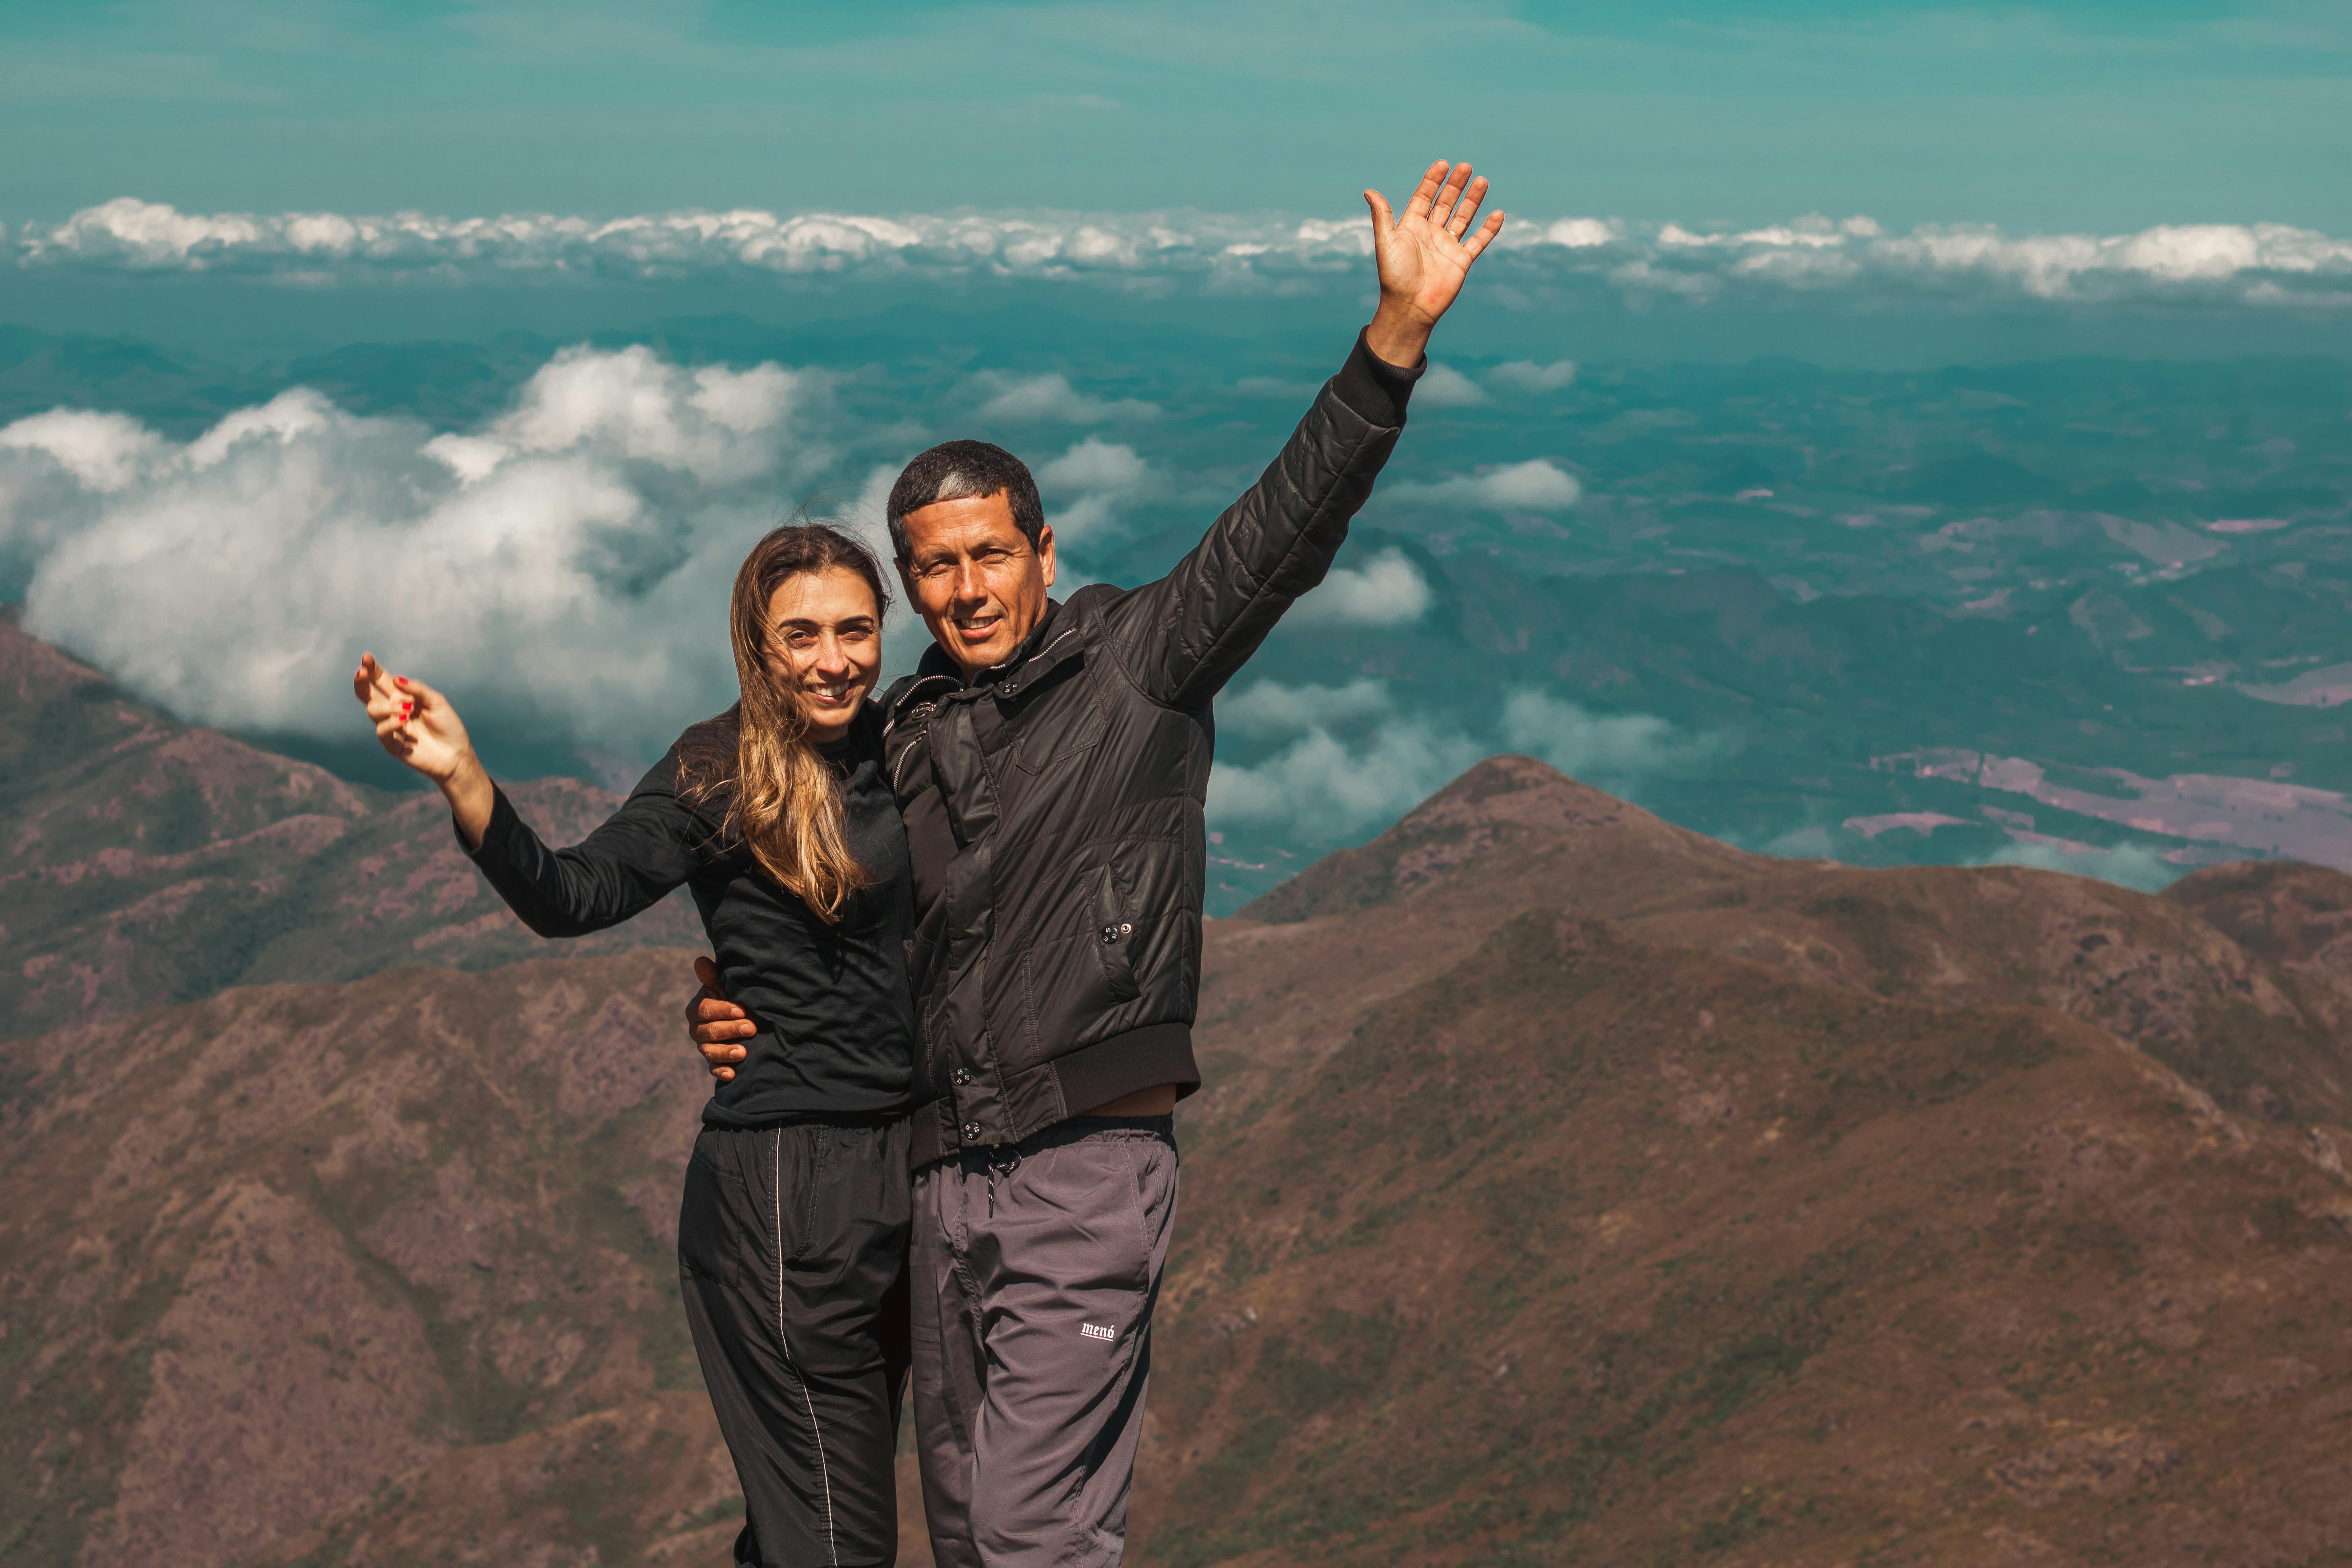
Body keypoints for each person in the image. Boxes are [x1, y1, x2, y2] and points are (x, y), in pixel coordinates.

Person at [688, 159, 1506, 1567]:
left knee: (1026, 1534)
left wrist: (1391, 345)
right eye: (932, 566)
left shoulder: (1141, 660)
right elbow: (829, 909)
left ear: (1042, 548)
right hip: (937, 1179)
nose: (967, 587)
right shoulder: (894, 736)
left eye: (989, 553)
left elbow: (1281, 531)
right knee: (962, 1529)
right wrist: (731, 994)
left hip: (1086, 1159)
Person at [353, 524, 920, 1568]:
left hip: (902, 1176)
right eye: (801, 635)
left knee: (809, 1527)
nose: (833, 659)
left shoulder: (903, 748)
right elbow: (577, 894)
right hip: (788, 1193)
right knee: (838, 1544)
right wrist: (465, 777)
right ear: (756, 643)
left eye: (854, 630)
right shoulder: (716, 769)